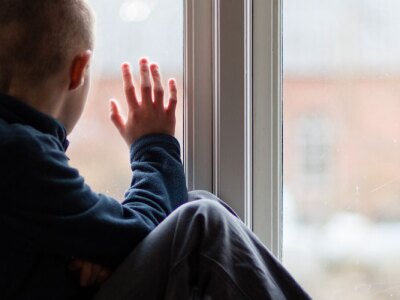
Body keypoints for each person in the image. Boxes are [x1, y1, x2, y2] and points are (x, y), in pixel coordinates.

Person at [0, 0, 310, 299]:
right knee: (201, 222)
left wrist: (99, 249)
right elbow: (135, 232)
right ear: (78, 70)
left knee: (196, 201)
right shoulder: (19, 152)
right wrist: (153, 145)